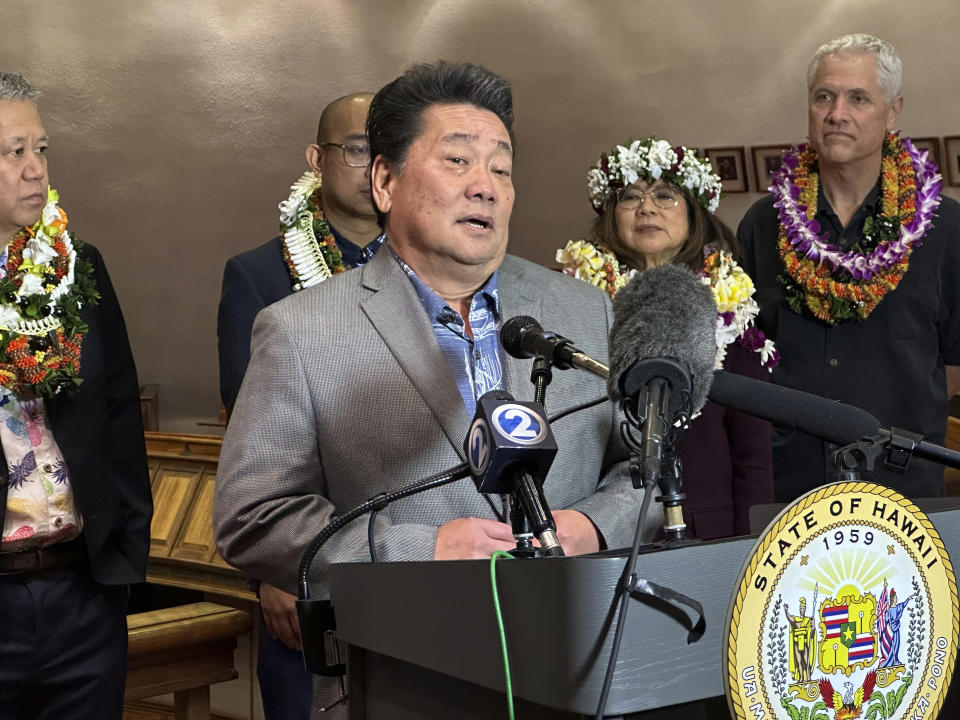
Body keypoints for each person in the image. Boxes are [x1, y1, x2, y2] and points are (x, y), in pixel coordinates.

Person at [214, 60, 655, 716]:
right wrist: (420, 550)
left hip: (579, 669)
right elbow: (254, 518)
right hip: (401, 682)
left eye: (502, 168)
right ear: (385, 181)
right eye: (457, 161)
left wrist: (593, 524)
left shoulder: (582, 311)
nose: (486, 186)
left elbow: (646, 472)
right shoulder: (301, 329)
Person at [738, 33, 960, 501]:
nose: (837, 113)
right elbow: (746, 358)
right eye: (824, 96)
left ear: (893, 111)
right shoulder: (764, 223)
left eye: (858, 97)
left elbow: (956, 362)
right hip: (788, 481)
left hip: (903, 481)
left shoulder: (944, 226)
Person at [216, 92, 381, 719]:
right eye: (358, 149)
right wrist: (273, 572)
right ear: (318, 158)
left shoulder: (430, 268)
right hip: (305, 567)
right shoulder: (258, 274)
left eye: (387, 151)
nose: (373, 166)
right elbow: (250, 434)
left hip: (412, 554)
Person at [0, 73, 152, 719]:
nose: (37, 170)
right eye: (14, 153)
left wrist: (123, 555)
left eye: (43, 149)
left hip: (80, 589)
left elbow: (118, 410)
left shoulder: (76, 264)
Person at [557, 137, 776, 539]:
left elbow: (753, 456)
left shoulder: (734, 304)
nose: (647, 207)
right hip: (601, 525)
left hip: (707, 528)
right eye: (630, 196)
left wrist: (749, 545)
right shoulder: (571, 303)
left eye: (665, 195)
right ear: (611, 215)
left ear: (694, 214)